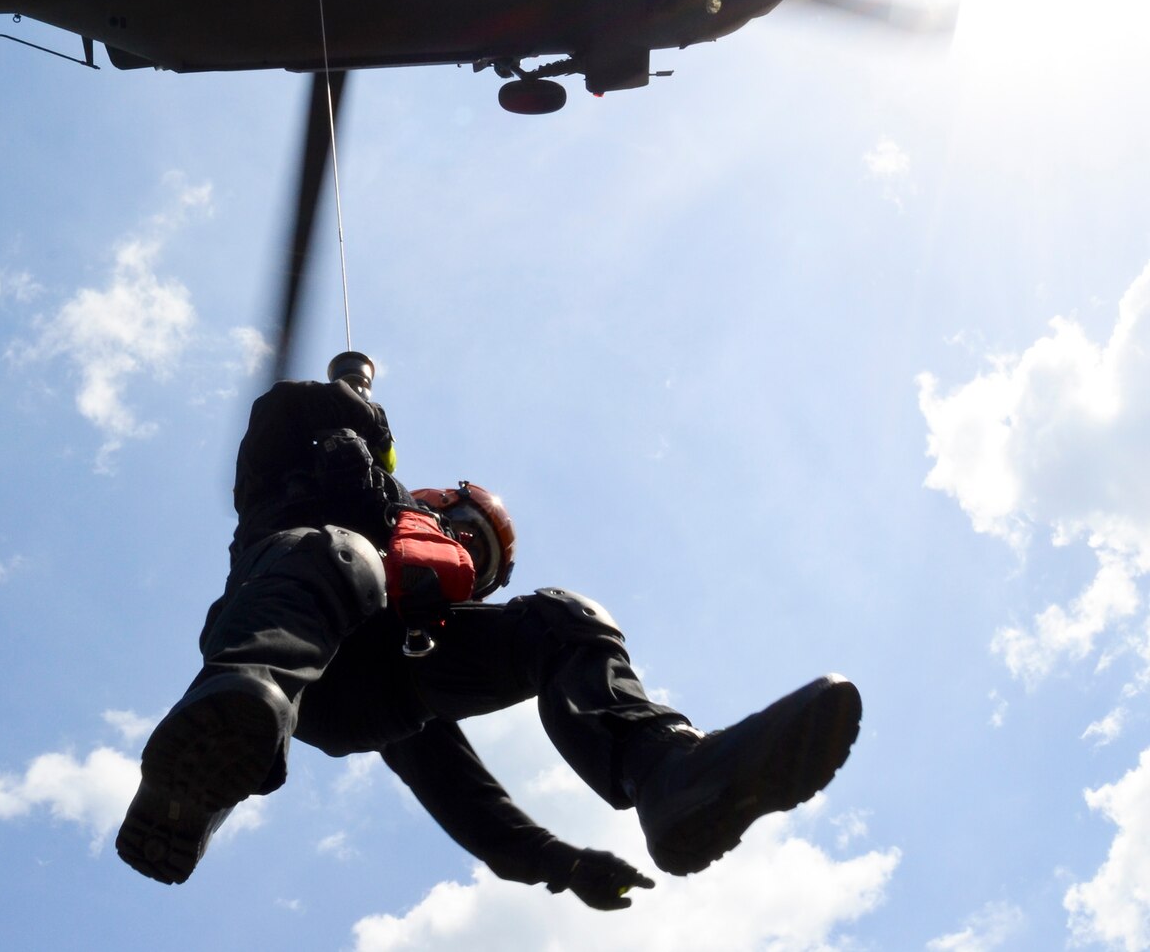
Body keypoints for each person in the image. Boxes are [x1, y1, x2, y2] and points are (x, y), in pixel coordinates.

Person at [116, 351, 863, 911]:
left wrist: (562, 864)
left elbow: (463, 793)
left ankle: (668, 774)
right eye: (468, 532)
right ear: (436, 503)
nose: (472, 552)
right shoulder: (291, 488)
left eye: (484, 560)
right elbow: (275, 413)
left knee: (565, 621)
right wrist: (347, 410)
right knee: (343, 557)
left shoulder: (424, 637)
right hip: (283, 611)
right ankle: (208, 760)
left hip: (371, 685)